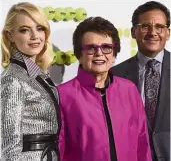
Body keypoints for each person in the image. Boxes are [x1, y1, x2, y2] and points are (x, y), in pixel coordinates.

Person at [56, 16, 152, 161]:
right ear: (79, 55)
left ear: (114, 55)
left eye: (106, 47)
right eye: (91, 48)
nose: (99, 53)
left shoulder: (129, 90)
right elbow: (58, 151)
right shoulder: (62, 95)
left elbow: (142, 142)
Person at [1, 2, 60, 161]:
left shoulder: (38, 75)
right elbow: (9, 145)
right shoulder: (12, 79)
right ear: (10, 35)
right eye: (25, 30)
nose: (35, 36)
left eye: (40, 28)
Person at [112, 1, 170, 161]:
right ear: (133, 31)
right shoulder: (114, 75)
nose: (153, 33)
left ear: (168, 33)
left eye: (160, 27)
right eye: (145, 26)